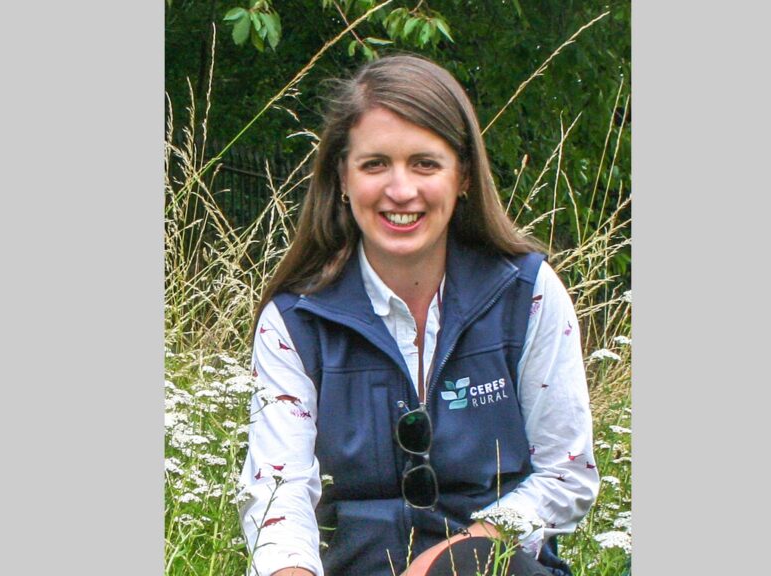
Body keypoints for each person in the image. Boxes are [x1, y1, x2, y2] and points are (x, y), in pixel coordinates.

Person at [239, 54, 599, 576]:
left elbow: (567, 476)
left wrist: (461, 552)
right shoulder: (294, 322)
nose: (401, 190)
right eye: (375, 164)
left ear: (464, 177)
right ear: (342, 177)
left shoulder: (528, 294)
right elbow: (279, 495)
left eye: (425, 164)